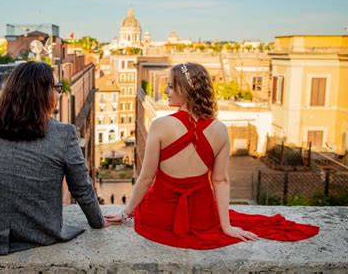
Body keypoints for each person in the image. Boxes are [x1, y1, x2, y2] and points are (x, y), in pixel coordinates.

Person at [105, 63, 319, 249]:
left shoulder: (160, 125)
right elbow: (220, 180)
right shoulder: (221, 130)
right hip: (202, 217)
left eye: (171, 85)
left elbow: (145, 178)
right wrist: (226, 226)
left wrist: (125, 213)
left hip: (158, 217)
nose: (166, 90)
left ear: (186, 90)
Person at [0, 62, 108, 258]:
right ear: (44, 95)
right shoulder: (64, 134)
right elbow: (81, 187)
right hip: (41, 233)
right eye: (57, 88)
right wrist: (98, 222)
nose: (59, 94)